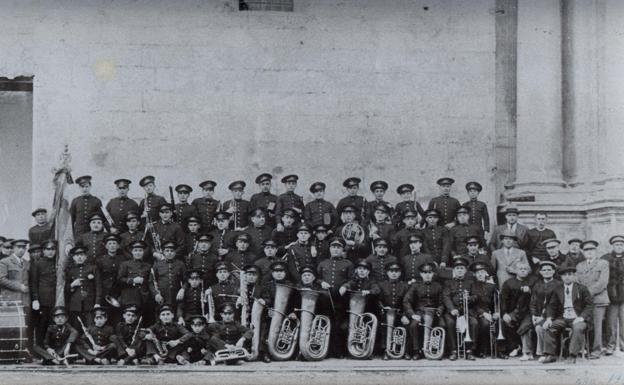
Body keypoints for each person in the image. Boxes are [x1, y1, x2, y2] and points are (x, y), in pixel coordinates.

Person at [541, 263, 593, 364]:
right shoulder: (557, 289)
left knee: (578, 328)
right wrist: (548, 319)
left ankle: (572, 355)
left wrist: (582, 317)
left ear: (574, 276)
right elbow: (552, 305)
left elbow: (589, 306)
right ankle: (550, 355)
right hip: (563, 318)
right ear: (561, 277)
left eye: (570, 274)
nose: (567, 277)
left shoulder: (582, 288)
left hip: (577, 318)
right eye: (564, 275)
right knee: (550, 327)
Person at [317, 238, 353, 358]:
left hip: (341, 300)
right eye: (333, 247)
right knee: (325, 324)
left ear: (342, 249)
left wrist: (345, 286)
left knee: (339, 326)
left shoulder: (348, 263)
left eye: (338, 247)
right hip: (325, 299)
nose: (336, 249)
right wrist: (321, 282)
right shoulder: (323, 263)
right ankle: (324, 351)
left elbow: (353, 279)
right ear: (330, 249)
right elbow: (316, 277)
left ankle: (339, 351)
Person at [403, 261, 444, 360]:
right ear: (421, 274)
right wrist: (412, 314)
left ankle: (436, 350)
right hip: (420, 312)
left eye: (430, 273)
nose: (427, 275)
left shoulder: (438, 286)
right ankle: (417, 351)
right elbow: (406, 301)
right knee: (413, 325)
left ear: (433, 274)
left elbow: (442, 303)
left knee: (443, 326)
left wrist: (439, 310)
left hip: (434, 313)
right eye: (425, 273)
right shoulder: (415, 285)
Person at [575, 240, 609, 359]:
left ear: (596, 251)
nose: (589, 252)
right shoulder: (580, 266)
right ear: (583, 252)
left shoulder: (603, 264)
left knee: (597, 326)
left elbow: (602, 283)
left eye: (591, 249)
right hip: (584, 302)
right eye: (586, 250)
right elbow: (577, 282)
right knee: (583, 324)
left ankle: (596, 350)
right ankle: (583, 349)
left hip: (598, 300)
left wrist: (587, 293)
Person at [254, 260, 293, 363]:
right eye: (276, 271)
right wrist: (268, 308)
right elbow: (267, 299)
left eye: (281, 271)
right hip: (271, 314)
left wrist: (293, 312)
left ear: (285, 273)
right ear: (272, 273)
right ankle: (265, 353)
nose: (279, 273)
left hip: (287, 315)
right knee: (265, 329)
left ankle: (288, 351)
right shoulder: (268, 285)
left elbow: (295, 301)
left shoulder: (291, 285)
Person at [0, 239, 32, 352]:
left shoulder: (27, 263)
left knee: (25, 326)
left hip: (25, 300)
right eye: (19, 247)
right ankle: (9, 350)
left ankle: (24, 351)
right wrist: (19, 287)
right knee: (11, 327)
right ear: (13, 248)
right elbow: (1, 279)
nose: (21, 250)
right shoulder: (5, 262)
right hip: (11, 300)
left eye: (24, 247)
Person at [442, 257, 477, 361]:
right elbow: (446, 297)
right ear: (454, 270)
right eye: (457, 268)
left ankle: (470, 351)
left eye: (462, 268)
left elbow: (476, 296)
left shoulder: (471, 282)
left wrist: (469, 298)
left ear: (465, 270)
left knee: (474, 323)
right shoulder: (448, 283)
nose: (460, 270)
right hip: (452, 312)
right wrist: (452, 309)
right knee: (450, 323)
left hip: (467, 311)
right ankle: (453, 350)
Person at [500, 262, 534, 360]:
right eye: (520, 269)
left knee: (525, 326)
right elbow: (504, 300)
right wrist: (505, 313)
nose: (523, 270)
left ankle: (527, 350)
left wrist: (530, 290)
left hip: (529, 311)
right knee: (506, 321)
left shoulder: (533, 281)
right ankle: (515, 346)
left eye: (525, 269)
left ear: (528, 271)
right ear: (515, 271)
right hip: (514, 311)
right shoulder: (508, 283)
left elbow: (538, 296)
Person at [377, 262, 410, 360]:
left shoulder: (405, 286)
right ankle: (385, 350)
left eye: (396, 271)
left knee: (407, 325)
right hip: (386, 313)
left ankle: (405, 351)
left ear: (400, 273)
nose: (394, 273)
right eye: (391, 271)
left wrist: (405, 315)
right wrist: (382, 307)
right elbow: (378, 300)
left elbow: (407, 302)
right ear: (387, 273)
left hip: (400, 313)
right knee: (384, 325)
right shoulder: (381, 285)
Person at [65, 245, 102, 329]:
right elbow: (65, 289)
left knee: (90, 327)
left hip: (89, 304)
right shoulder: (71, 271)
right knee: (77, 327)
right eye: (77, 255)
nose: (79, 257)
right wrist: (72, 285)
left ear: (85, 256)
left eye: (82, 255)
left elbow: (98, 286)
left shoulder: (93, 268)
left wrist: (97, 303)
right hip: (75, 305)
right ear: (74, 257)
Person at [529, 260, 559, 361]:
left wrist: (543, 317)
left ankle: (546, 353)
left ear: (553, 271)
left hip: (554, 315)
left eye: (549, 270)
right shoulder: (537, 285)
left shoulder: (559, 285)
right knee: (537, 327)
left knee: (541, 327)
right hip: (538, 314)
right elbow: (533, 302)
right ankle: (541, 353)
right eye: (544, 270)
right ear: (541, 272)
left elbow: (557, 305)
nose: (547, 272)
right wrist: (534, 315)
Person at [30, 239, 58, 346]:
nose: (50, 252)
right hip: (43, 300)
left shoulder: (58, 262)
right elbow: (34, 283)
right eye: (48, 249)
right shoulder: (38, 264)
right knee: (42, 326)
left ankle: (53, 349)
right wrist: (36, 299)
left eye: (53, 249)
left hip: (56, 299)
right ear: (43, 251)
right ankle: (40, 351)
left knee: (54, 325)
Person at [117, 241, 152, 322]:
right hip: (129, 297)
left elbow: (150, 282)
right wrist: (133, 280)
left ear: (143, 252)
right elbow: (119, 279)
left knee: (141, 320)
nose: (138, 253)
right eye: (135, 250)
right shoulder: (125, 264)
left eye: (140, 250)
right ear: (132, 252)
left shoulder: (148, 266)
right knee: (129, 320)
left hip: (143, 297)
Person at [470, 261, 497, 358]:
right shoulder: (471, 285)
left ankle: (496, 350)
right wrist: (483, 313)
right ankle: (481, 350)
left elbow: (495, 302)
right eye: (478, 273)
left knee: (494, 323)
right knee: (484, 324)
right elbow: (472, 304)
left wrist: (495, 312)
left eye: (482, 272)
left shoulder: (491, 286)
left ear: (486, 273)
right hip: (476, 312)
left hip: (489, 313)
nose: (480, 275)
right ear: (474, 274)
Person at [602, 235, 624, 355]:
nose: (619, 247)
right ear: (612, 246)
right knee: (611, 322)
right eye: (616, 245)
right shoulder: (606, 258)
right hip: (612, 294)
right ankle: (610, 345)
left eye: (621, 244)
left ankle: (622, 345)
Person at [151, 241, 186, 311]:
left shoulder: (181, 264)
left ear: (175, 252)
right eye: (167, 251)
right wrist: (156, 294)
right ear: (163, 252)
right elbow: (151, 281)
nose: (169, 253)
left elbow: (186, 279)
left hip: (176, 295)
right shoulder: (157, 265)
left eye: (172, 251)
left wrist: (183, 290)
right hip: (162, 295)